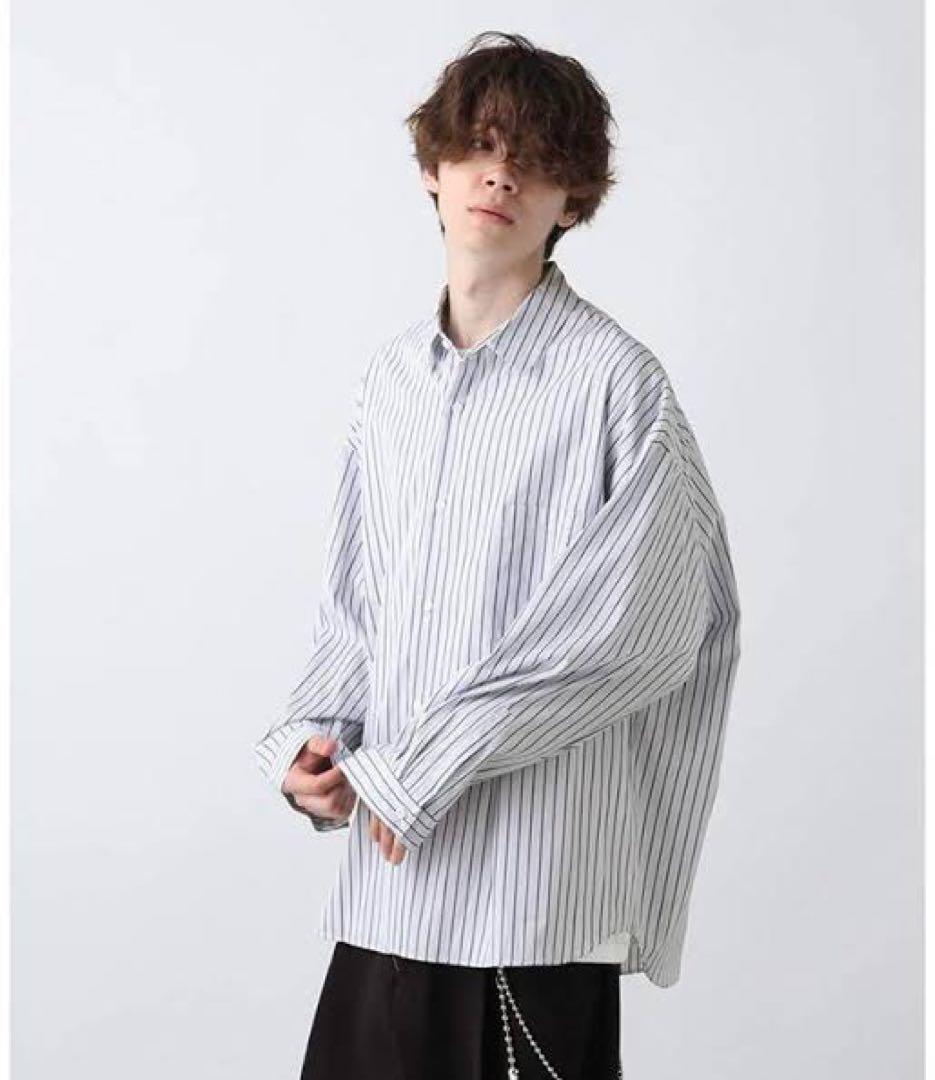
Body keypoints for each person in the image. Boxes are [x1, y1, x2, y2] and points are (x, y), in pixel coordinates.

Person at [254, 30, 742, 1080]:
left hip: (531, 905)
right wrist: (316, 747)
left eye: (535, 157)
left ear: (573, 200)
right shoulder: (389, 381)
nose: (501, 174)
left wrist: (423, 766)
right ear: (431, 170)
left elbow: (637, 632)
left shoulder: (616, 384)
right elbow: (355, 607)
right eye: (478, 144)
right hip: (388, 901)